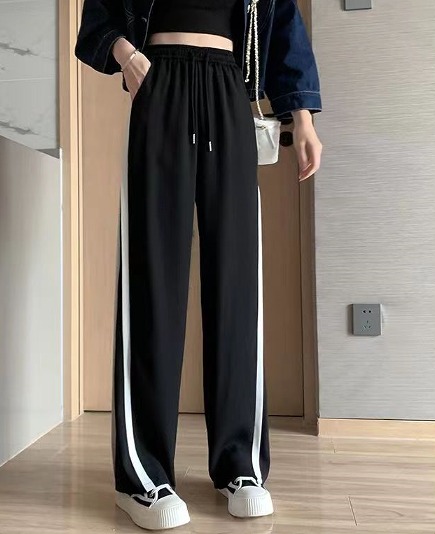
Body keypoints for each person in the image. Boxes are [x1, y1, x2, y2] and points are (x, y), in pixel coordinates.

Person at [75, 0, 322, 530]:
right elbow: (98, 16)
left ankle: (240, 466)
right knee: (152, 280)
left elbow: (282, 25)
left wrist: (301, 116)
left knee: (237, 283)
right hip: (159, 81)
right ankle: (141, 476)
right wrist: (127, 56)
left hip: (229, 88)